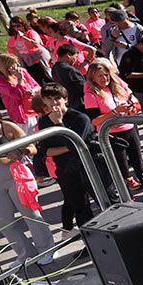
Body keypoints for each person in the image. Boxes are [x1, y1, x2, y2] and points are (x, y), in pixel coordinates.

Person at [0, 102, 55, 265]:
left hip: (15, 174)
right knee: (2, 221)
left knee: (30, 213)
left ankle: (47, 249)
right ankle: (25, 253)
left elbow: (33, 146)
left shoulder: (5, 126)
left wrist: (20, 151)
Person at [83, 59, 143, 202]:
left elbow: (132, 99)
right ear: (92, 78)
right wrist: (114, 112)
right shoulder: (91, 94)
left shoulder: (116, 86)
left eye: (106, 75)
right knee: (121, 169)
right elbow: (94, 120)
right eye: (100, 76)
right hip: (111, 135)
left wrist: (133, 107)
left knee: (139, 164)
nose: (104, 79)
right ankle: (128, 198)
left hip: (129, 128)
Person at [32, 85, 105, 231]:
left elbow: (75, 144)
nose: (54, 102)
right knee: (81, 209)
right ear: (44, 101)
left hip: (89, 168)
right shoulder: (44, 122)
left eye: (57, 98)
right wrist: (68, 148)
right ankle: (90, 242)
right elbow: (45, 151)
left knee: (104, 202)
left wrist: (59, 124)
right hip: (66, 171)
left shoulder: (80, 118)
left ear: (65, 99)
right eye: (49, 98)